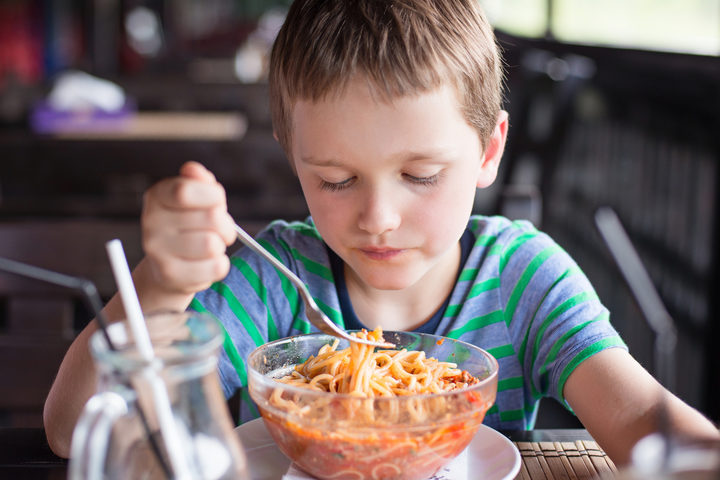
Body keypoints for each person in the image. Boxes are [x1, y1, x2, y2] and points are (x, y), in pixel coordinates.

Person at [44, 0, 718, 465]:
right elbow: (74, 431)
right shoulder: (269, 280)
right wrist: (161, 285)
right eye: (336, 180)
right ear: (293, 156)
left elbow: (640, 422)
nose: (379, 219)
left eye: (421, 174)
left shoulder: (524, 280)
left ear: (489, 152)